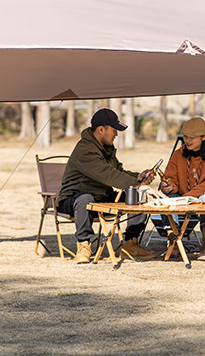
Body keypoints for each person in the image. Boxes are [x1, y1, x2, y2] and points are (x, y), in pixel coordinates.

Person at [58, 108, 162, 265]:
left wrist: (138, 178)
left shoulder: (105, 148)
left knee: (138, 196)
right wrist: (138, 185)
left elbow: (118, 171)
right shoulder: (85, 150)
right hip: (72, 199)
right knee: (85, 198)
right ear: (101, 130)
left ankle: (129, 244)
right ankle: (84, 244)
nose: (116, 134)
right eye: (114, 130)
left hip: (99, 197)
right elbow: (107, 175)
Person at [159, 116, 205, 261]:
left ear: (203, 137)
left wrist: (188, 197)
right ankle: (174, 240)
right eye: (186, 137)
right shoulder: (178, 155)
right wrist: (169, 186)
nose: (188, 141)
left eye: (192, 138)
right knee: (167, 200)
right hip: (183, 198)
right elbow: (171, 179)